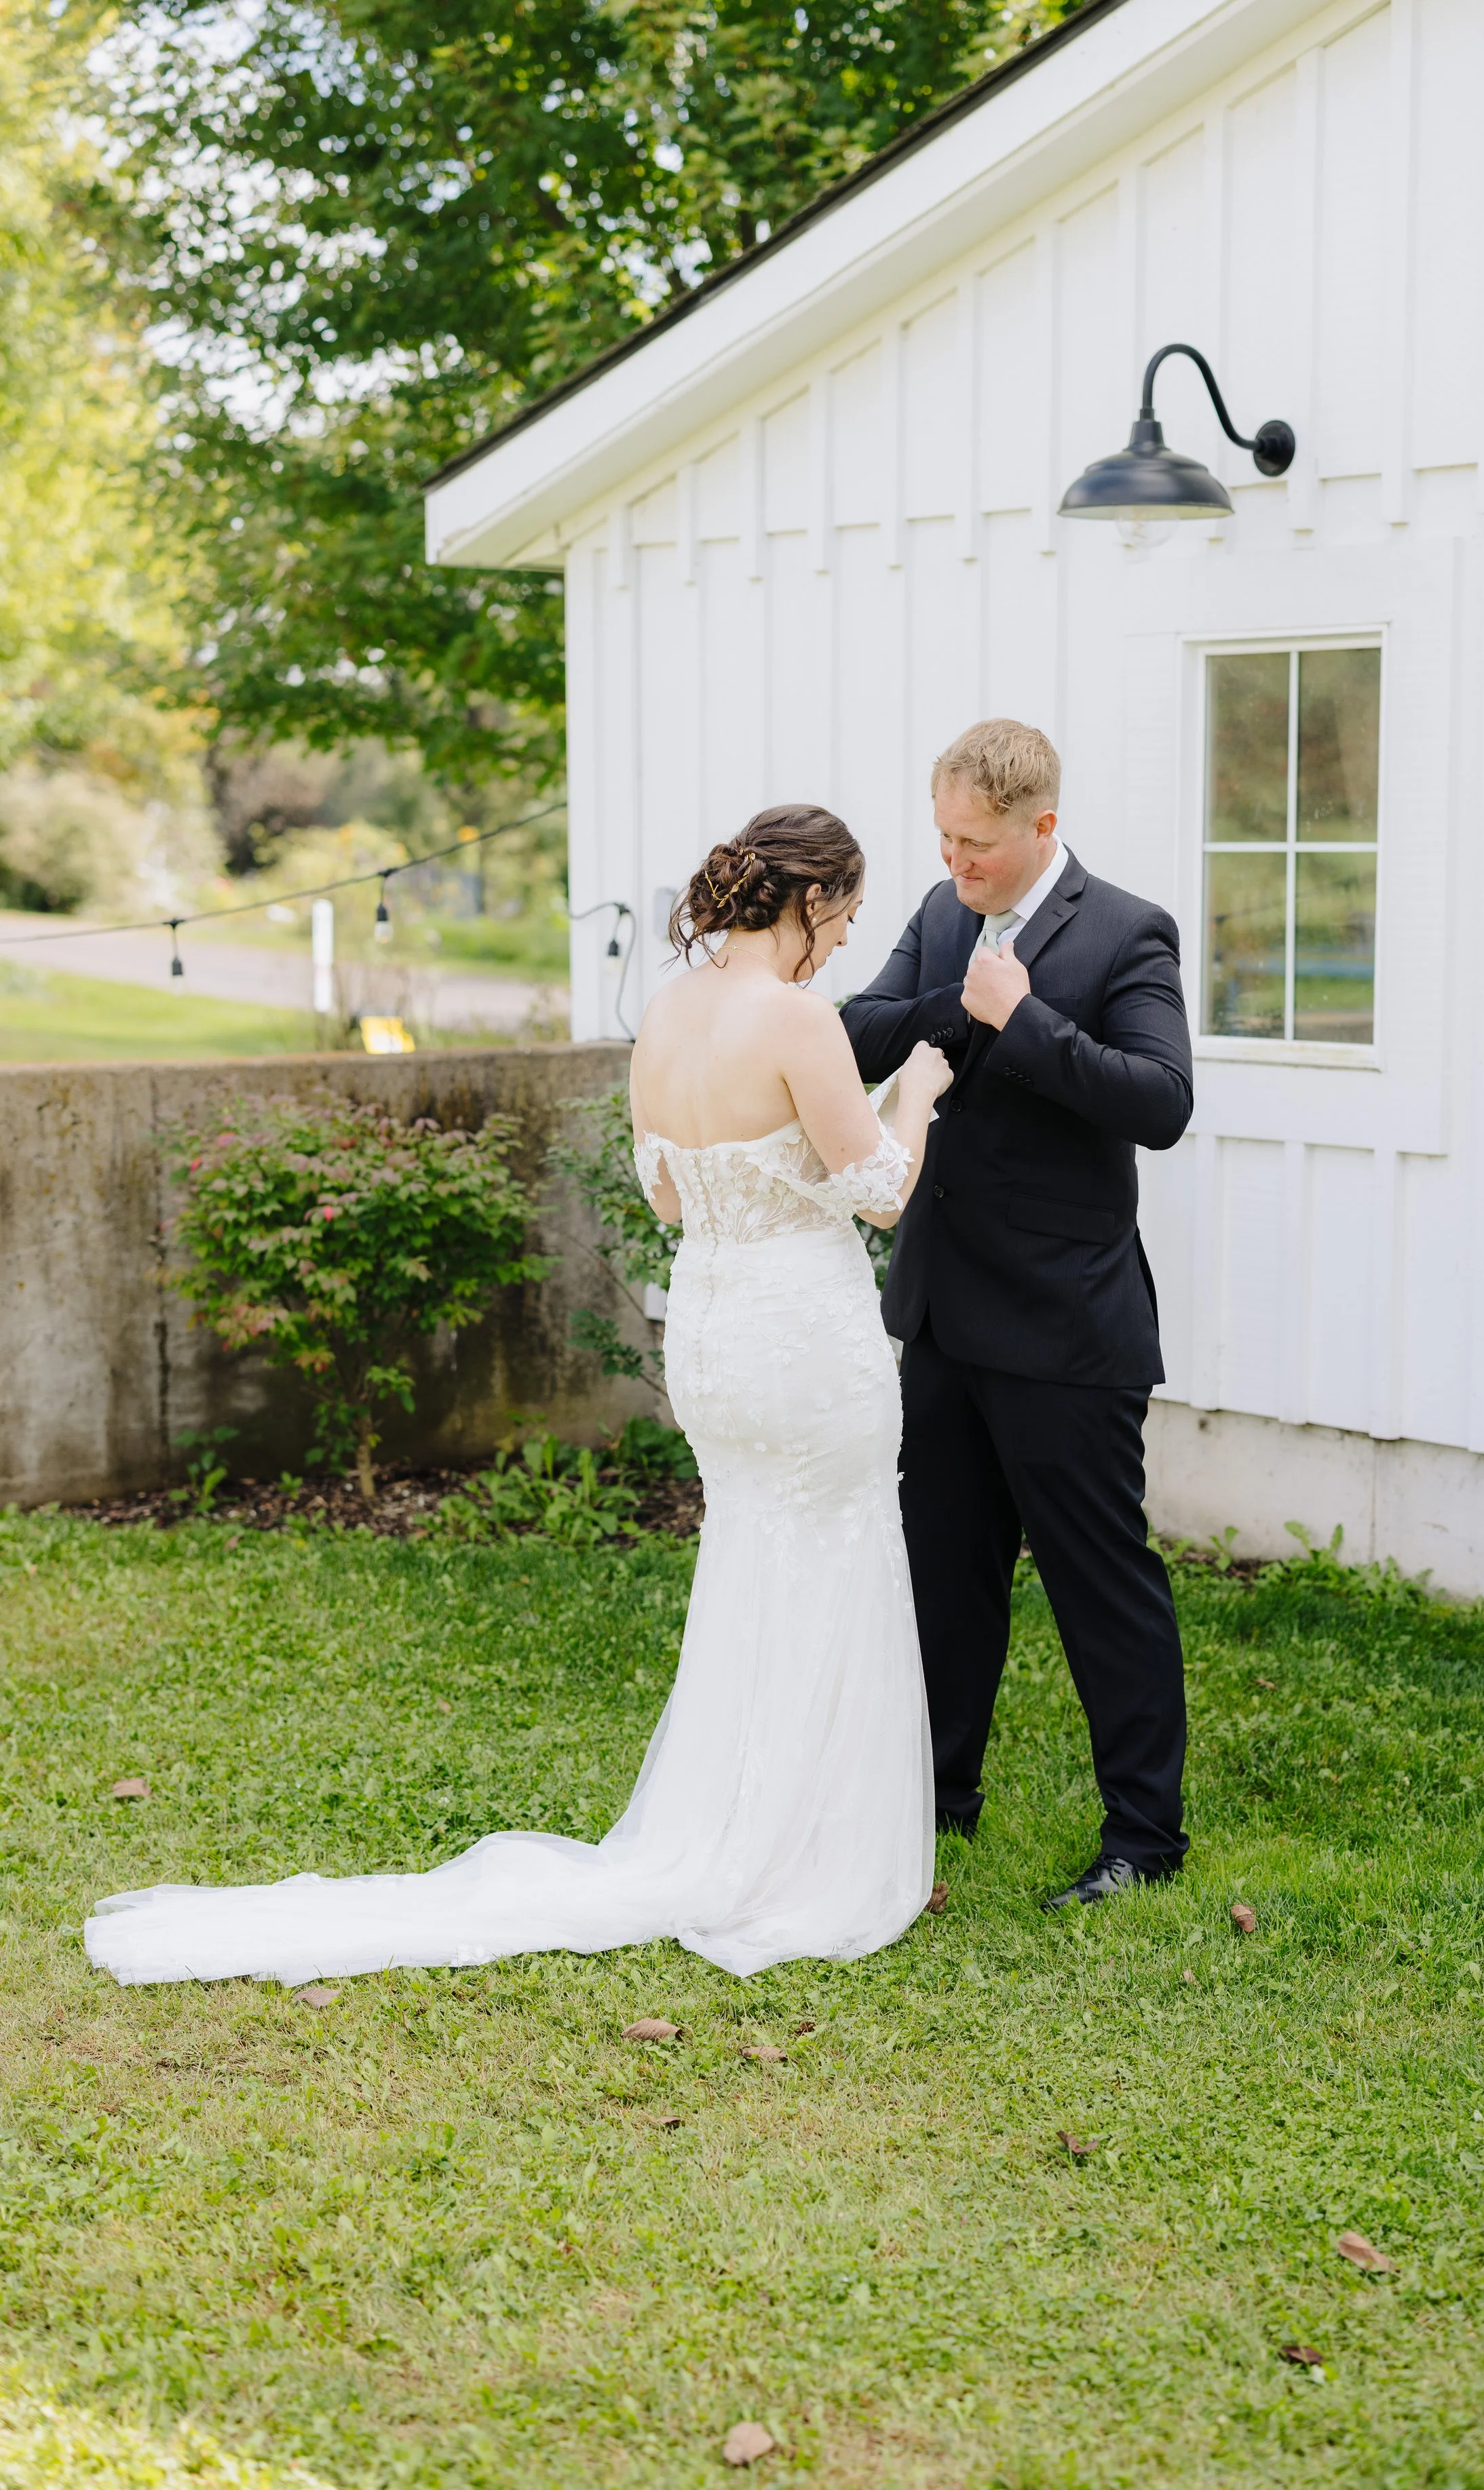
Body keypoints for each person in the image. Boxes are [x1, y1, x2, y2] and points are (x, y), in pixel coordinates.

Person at [85, 807, 953, 1987]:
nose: (845, 942)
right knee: (836, 1555)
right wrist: (921, 1092)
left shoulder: (672, 1011)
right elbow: (881, 1192)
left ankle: (742, 1823)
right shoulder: (799, 1020)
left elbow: (672, 1203)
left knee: (759, 1559)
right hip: (805, 1340)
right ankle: (807, 1852)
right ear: (809, 901)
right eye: (846, 917)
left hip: (714, 1334)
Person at [839, 719, 1194, 1906]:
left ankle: (1144, 1841)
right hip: (942, 1314)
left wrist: (1023, 1020)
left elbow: (1160, 1101)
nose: (955, 863)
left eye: (977, 844)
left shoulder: (1127, 929)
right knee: (945, 1571)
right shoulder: (945, 918)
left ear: (1043, 826)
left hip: (1065, 1326)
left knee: (1102, 1582)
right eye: (943, 837)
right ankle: (938, 1799)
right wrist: (960, 995)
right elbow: (858, 1031)